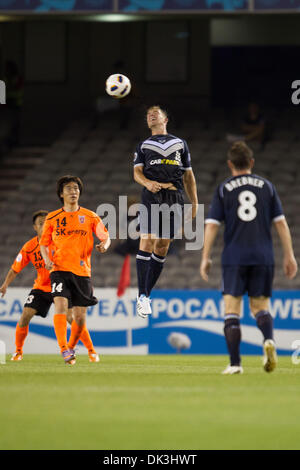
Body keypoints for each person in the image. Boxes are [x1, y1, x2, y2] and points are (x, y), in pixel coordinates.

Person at [200, 141, 298, 374]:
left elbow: (212, 226)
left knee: (231, 309)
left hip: (234, 256)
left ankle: (235, 364)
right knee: (261, 307)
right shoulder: (267, 187)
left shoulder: (225, 188)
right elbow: (281, 224)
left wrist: (205, 257)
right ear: (251, 162)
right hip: (263, 255)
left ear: (230, 164)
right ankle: (268, 340)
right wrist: (290, 255)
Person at [0, 210, 100, 362]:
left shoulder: (60, 240)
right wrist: (5, 285)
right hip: (42, 287)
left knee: (73, 318)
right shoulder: (30, 246)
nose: (45, 225)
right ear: (35, 227)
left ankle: (91, 350)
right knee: (25, 315)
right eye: (41, 223)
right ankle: (18, 351)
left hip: (62, 284)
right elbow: (15, 268)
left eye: (47, 222)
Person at [133, 105, 198, 318]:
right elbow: (137, 173)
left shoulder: (180, 144)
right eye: (148, 114)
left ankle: (145, 295)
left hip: (174, 197)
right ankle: (142, 295)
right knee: (147, 240)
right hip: (152, 194)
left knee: (162, 246)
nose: (151, 115)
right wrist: (147, 183)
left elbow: (188, 176)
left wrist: (194, 203)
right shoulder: (143, 145)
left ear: (165, 119)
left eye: (155, 112)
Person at [40, 176, 110, 365]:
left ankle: (71, 347)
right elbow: (43, 244)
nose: (73, 191)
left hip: (82, 272)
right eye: (69, 188)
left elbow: (105, 236)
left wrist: (105, 244)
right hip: (58, 269)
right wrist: (46, 259)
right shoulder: (53, 217)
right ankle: (64, 349)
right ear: (61, 194)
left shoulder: (90, 216)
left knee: (79, 318)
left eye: (76, 188)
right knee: (61, 307)